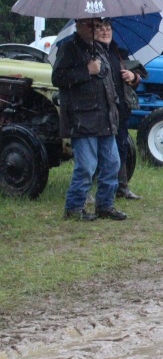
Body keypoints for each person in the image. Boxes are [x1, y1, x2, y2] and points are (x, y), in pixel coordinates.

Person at [53, 18, 128, 221]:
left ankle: (105, 205)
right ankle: (74, 208)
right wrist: (87, 70)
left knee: (112, 164)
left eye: (98, 25)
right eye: (91, 25)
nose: (96, 29)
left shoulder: (101, 49)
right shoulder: (68, 48)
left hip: (105, 117)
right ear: (79, 25)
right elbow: (58, 78)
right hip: (82, 118)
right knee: (86, 167)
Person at [96, 18, 144, 201]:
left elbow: (135, 82)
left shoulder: (119, 52)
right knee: (99, 150)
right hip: (101, 109)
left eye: (108, 28)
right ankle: (97, 189)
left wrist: (133, 77)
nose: (105, 32)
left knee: (121, 145)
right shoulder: (91, 53)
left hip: (121, 109)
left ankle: (122, 187)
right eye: (101, 28)